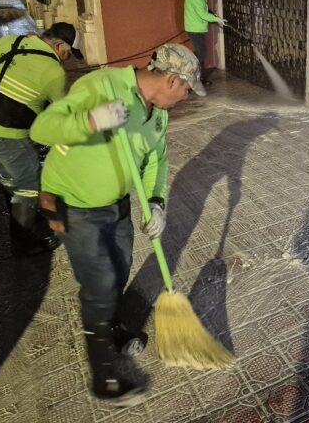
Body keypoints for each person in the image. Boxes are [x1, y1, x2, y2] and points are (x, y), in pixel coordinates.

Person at [29, 44, 205, 405]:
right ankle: (104, 375)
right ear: (172, 79)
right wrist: (90, 121)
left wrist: (156, 202)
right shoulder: (101, 86)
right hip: (74, 205)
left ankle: (109, 324)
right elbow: (42, 129)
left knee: (120, 269)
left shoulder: (158, 114)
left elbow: (156, 159)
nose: (187, 96)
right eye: (187, 88)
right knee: (101, 284)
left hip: (117, 204)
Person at [0, 22, 83, 257]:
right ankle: (23, 243)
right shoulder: (54, 72)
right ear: (60, 45)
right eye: (68, 54)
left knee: (11, 176)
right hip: (5, 132)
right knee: (28, 183)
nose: (66, 59)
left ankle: (20, 207)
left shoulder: (12, 41)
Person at [184, 0, 225, 86]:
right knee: (201, 54)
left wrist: (214, 15)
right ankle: (195, 77)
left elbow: (203, 9)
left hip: (196, 26)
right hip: (195, 27)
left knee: (201, 52)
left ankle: (196, 75)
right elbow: (202, 14)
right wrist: (217, 19)